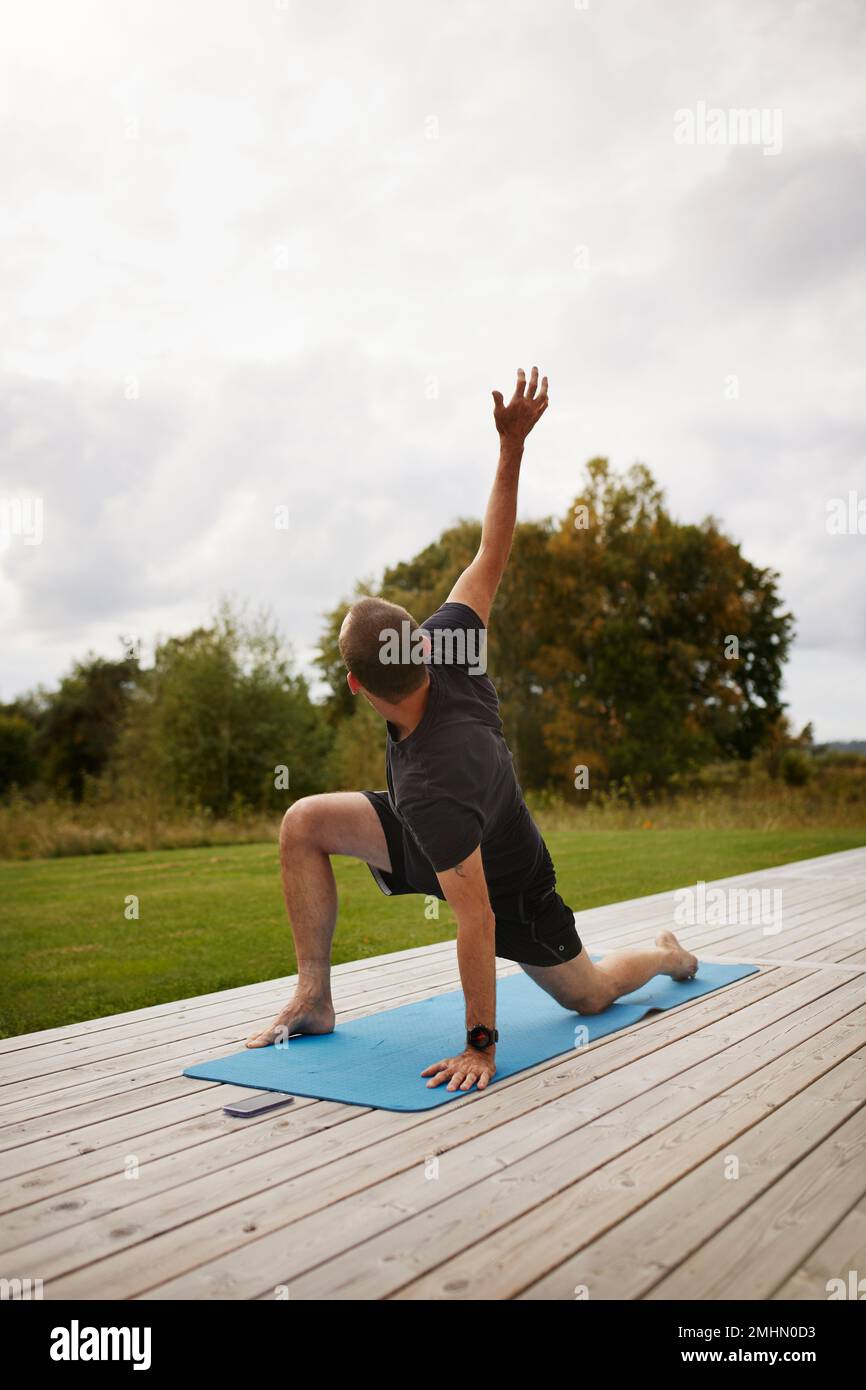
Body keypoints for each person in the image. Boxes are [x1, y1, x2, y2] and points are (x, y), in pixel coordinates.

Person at [247, 367, 697, 1093]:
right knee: (304, 823)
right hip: (436, 835)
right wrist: (511, 447)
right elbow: (493, 550)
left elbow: (477, 921)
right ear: (421, 645)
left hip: (509, 880)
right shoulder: (452, 639)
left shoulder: (434, 783)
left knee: (588, 993)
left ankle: (668, 956)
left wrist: (481, 1047)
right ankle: (314, 996)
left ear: (358, 688)